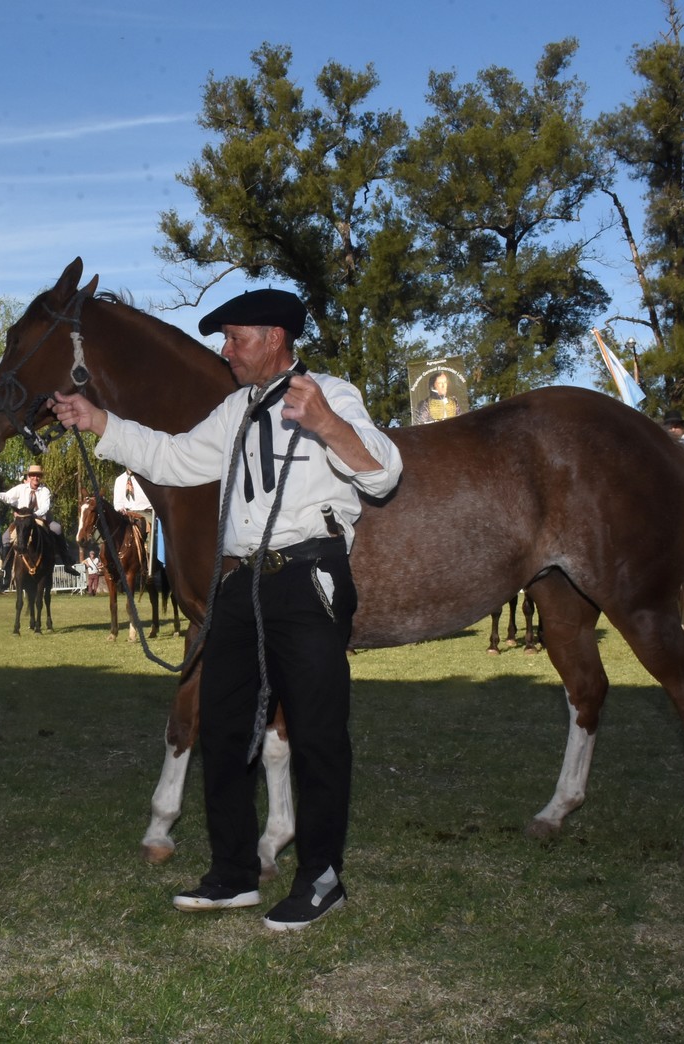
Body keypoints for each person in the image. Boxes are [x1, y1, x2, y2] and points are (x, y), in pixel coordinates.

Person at [49, 287, 403, 931]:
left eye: (235, 338)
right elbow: (177, 458)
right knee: (224, 726)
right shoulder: (235, 408)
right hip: (241, 586)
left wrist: (327, 423)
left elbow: (383, 474)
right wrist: (98, 421)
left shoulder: (332, 395)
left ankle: (322, 879)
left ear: (275, 338)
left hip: (309, 578)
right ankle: (233, 873)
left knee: (319, 734)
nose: (225, 350)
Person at [0, 463, 73, 586]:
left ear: (40, 477)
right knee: (5, 538)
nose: (35, 478)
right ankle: (5, 570)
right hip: (22, 521)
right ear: (29, 476)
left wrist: (34, 515)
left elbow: (45, 507)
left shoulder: (45, 491)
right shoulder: (21, 488)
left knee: (57, 528)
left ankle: (66, 562)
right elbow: (7, 497)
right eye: (33, 475)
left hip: (39, 519)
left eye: (38, 476)